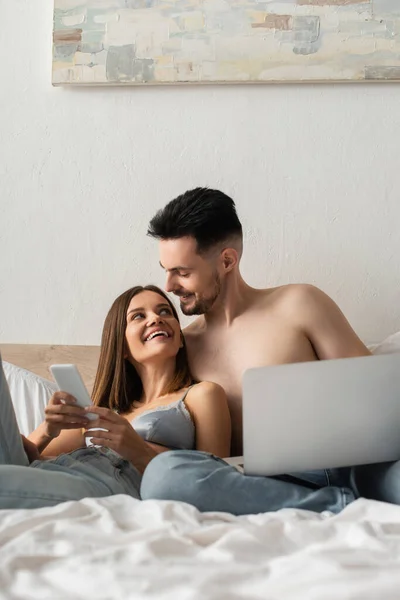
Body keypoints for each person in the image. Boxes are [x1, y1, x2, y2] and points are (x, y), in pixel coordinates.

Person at [140, 187, 400, 514]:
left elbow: (377, 392)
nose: (169, 285)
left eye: (182, 272)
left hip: (359, 469)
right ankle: (340, 508)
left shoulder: (299, 303)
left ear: (227, 260)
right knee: (163, 477)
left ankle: (342, 504)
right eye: (166, 269)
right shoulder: (182, 344)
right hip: (267, 483)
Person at [0, 284, 230, 509]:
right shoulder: (104, 411)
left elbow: (214, 486)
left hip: (107, 484)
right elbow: (27, 458)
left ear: (180, 339)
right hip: (61, 471)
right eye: (138, 316)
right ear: (122, 347)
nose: (155, 318)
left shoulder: (201, 394)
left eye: (164, 311)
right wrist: (47, 430)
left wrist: (137, 450)